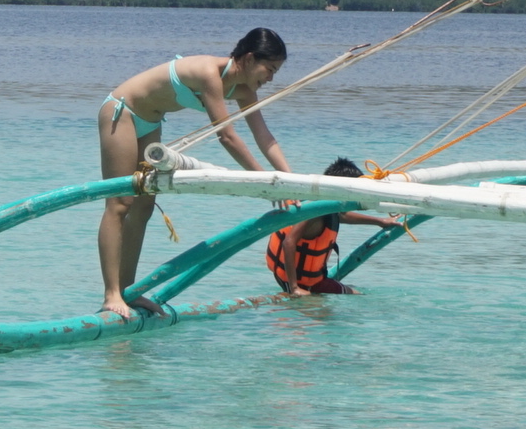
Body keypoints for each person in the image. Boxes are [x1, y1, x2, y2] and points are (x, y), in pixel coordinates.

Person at [97, 27, 293, 319]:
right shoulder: (208, 73)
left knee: (145, 206)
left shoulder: (244, 91)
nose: (271, 78)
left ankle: (129, 293)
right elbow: (227, 137)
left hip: (150, 122)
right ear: (250, 58)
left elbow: (265, 137)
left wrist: (288, 181)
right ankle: (111, 294)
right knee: (121, 203)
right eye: (270, 69)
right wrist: (265, 182)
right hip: (122, 112)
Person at [265, 157, 407, 295]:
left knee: (352, 294)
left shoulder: (325, 205)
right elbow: (289, 242)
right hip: (302, 283)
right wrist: (294, 288)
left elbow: (341, 216)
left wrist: (379, 221)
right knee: (357, 296)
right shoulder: (315, 211)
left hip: (306, 279)